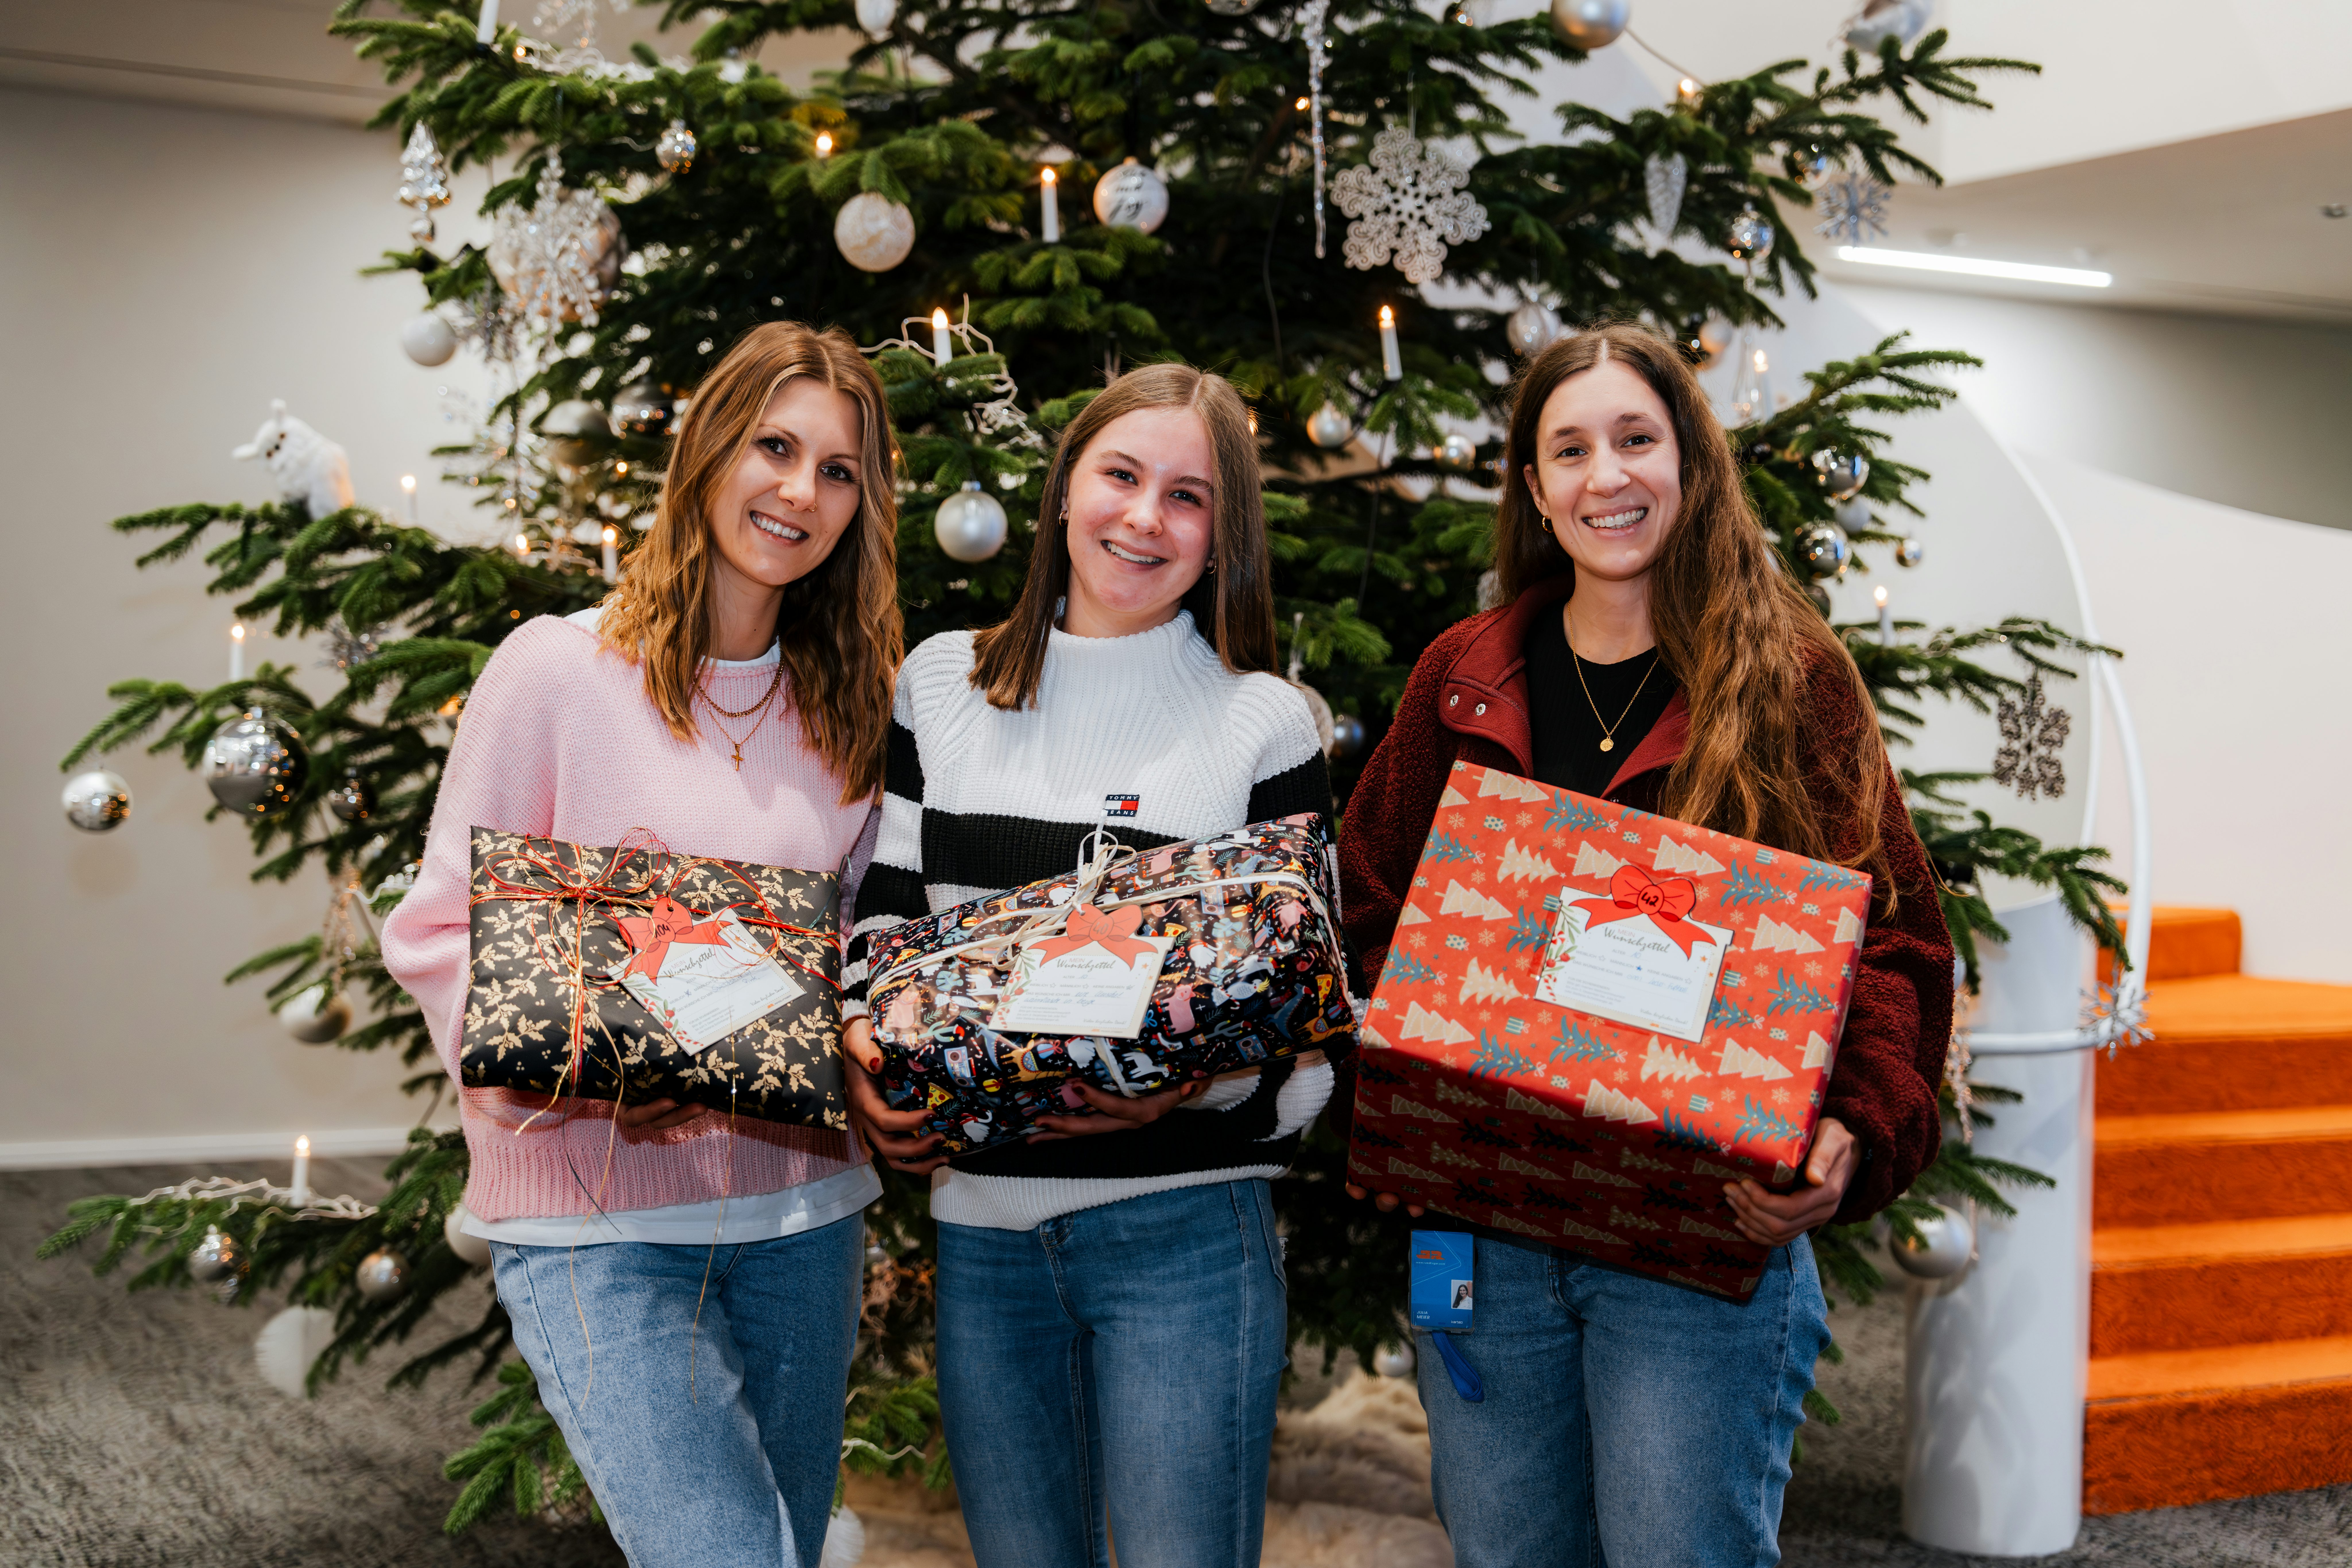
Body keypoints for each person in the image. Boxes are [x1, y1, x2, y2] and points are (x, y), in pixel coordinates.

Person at [1335, 322, 1955, 1567]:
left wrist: (1852, 1129)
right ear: (1531, 487)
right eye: (1568, 449)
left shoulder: (1789, 681)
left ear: (1690, 461)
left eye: (1634, 439)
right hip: (1485, 1227)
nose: (1602, 476)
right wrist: (1387, 1057)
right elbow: (1365, 906)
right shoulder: (1460, 677)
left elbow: (1890, 945)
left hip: (1698, 1236)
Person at [381, 322, 901, 1568]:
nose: (798, 492)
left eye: (838, 471)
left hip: (804, 1214)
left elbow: (860, 950)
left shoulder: (853, 709)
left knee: (782, 1544)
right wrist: (592, 1061)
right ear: (709, 447)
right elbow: (439, 926)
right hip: (589, 1216)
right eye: (774, 447)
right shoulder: (557, 671)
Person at [839, 363, 1332, 1568]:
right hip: (983, 1234)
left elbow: (1306, 1025)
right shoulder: (941, 685)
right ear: (1063, 488)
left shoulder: (1265, 723)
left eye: (1187, 497)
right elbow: (884, 923)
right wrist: (862, 1052)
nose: (1142, 518)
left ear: (1223, 539)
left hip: (1185, 1237)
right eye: (1120, 475)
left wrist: (1190, 1089)